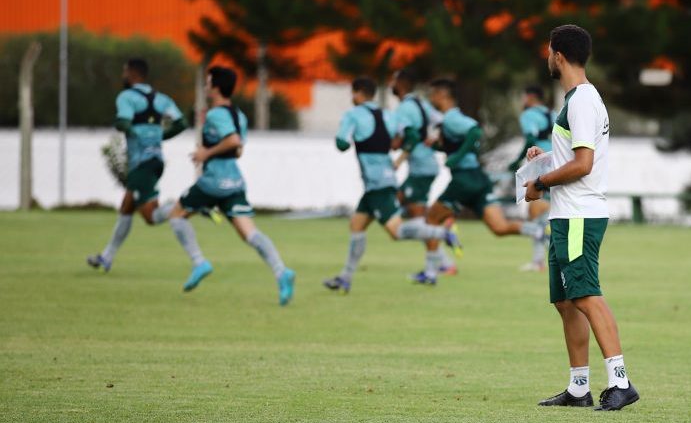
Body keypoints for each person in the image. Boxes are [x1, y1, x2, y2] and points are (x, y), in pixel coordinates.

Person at [524, 24, 638, 411]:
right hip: (566, 216)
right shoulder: (576, 99)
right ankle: (578, 388)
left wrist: (541, 182)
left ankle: (621, 382)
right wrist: (545, 159)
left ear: (558, 55)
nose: (547, 57)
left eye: (548, 51)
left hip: (579, 215)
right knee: (566, 301)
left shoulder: (583, 100)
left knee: (586, 295)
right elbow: (575, 156)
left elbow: (584, 164)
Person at [165, 66, 296, 305]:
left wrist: (205, 153)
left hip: (213, 180)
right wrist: (217, 150)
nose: (206, 87)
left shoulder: (215, 114)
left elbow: (233, 141)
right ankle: (281, 272)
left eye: (208, 83)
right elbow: (238, 150)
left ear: (216, 87)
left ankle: (199, 262)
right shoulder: (239, 115)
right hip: (234, 181)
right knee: (250, 233)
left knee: (176, 215)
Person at [323, 77, 461, 294]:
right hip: (382, 180)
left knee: (396, 231)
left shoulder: (353, 115)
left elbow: (341, 143)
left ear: (357, 93)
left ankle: (443, 233)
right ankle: (345, 278)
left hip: (377, 183)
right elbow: (412, 136)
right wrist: (396, 148)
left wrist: (348, 141)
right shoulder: (387, 114)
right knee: (357, 225)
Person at [414, 79, 543, 285]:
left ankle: (431, 270)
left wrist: (456, 157)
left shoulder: (451, 118)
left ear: (442, 94)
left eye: (433, 93)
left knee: (430, 220)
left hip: (463, 180)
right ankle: (537, 230)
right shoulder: (450, 120)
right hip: (478, 179)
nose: (431, 98)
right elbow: (460, 144)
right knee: (499, 227)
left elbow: (475, 131)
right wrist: (438, 147)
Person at [87, 58, 187, 272]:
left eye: (124, 71)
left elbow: (123, 122)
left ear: (133, 73)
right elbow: (182, 123)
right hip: (156, 161)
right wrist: (159, 136)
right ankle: (106, 257)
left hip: (141, 163)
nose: (123, 76)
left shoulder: (126, 97)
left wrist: (130, 130)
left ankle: (187, 205)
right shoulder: (161, 98)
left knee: (151, 217)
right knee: (126, 207)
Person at [389, 68, 458, 278]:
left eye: (394, 80)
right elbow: (441, 121)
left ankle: (443, 241)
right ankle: (442, 261)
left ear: (401, 83)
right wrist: (436, 139)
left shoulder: (405, 108)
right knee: (412, 212)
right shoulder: (421, 104)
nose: (391, 84)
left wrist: (398, 160)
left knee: (410, 213)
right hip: (428, 165)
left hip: (421, 168)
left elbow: (409, 137)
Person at [508, 85, 555, 272]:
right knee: (548, 214)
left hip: (539, 162)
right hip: (556, 163)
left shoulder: (528, 115)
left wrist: (516, 161)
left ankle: (538, 261)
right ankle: (547, 257)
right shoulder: (553, 113)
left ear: (530, 97)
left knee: (534, 213)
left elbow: (530, 138)